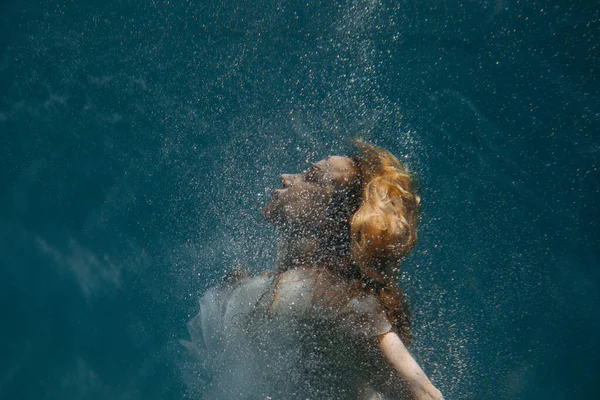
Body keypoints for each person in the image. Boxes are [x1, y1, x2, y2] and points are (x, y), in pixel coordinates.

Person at [182, 141, 444, 400]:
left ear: (333, 218)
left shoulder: (337, 300)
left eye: (310, 177)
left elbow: (425, 396)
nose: (286, 178)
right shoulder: (290, 284)